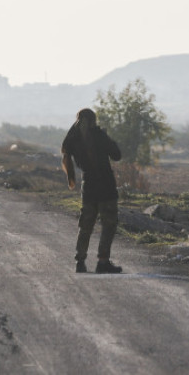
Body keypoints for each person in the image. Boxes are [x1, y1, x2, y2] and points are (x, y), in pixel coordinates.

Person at [61, 108, 124, 274]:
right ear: (94, 120)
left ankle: (80, 262)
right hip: (105, 186)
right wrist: (107, 137)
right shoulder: (98, 135)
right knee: (108, 223)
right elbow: (117, 155)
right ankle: (103, 262)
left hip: (88, 186)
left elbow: (67, 154)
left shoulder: (72, 138)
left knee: (86, 225)